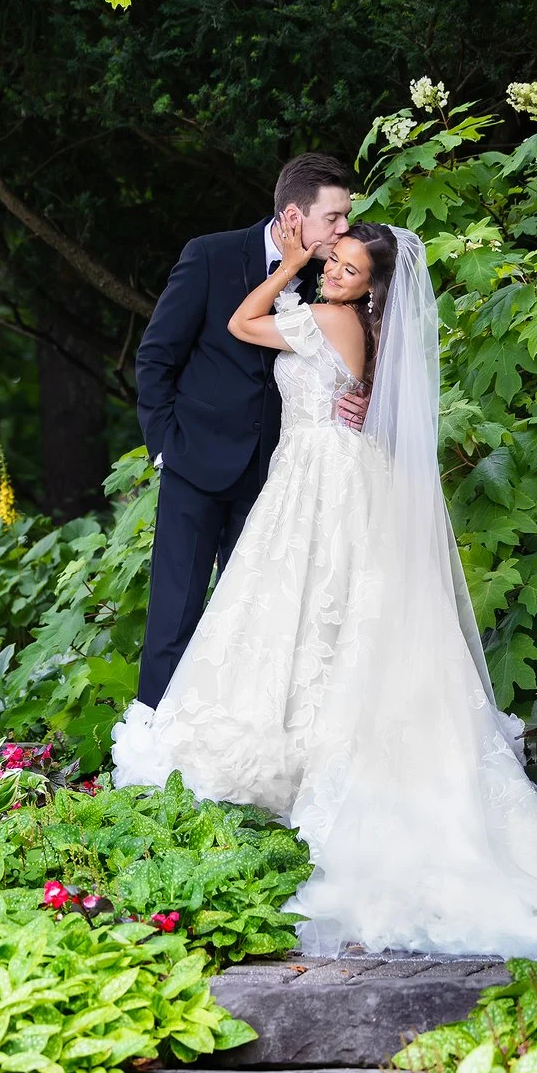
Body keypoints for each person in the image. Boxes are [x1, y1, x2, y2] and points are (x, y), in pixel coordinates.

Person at [114, 222, 537, 959]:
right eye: (333, 262)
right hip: (328, 473)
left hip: (318, 480)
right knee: (329, 615)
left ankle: (303, 763)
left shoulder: (327, 317)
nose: (331, 274)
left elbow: (240, 321)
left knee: (310, 610)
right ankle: (307, 758)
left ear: (369, 289)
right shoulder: (360, 324)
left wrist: (290, 262)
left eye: (348, 270)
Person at [131, 155, 363, 721]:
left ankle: (235, 750)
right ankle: (152, 748)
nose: (343, 231)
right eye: (333, 218)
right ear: (293, 215)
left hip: (279, 479)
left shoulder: (332, 278)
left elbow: (351, 354)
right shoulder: (209, 256)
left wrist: (360, 396)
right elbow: (157, 356)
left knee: (257, 621)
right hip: (194, 464)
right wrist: (166, 447)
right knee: (174, 617)